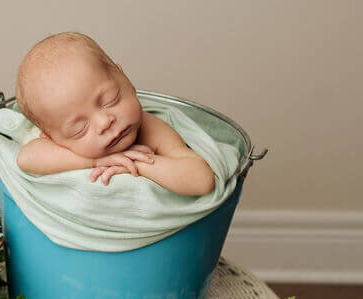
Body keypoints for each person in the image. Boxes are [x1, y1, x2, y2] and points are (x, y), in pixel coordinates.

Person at [14, 33, 215, 196]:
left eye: (110, 100)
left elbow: (201, 180)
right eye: (79, 129)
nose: (104, 122)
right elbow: (26, 158)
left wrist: (136, 163)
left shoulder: (152, 130)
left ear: (124, 79)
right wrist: (94, 162)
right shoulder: (57, 147)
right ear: (50, 137)